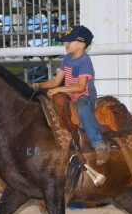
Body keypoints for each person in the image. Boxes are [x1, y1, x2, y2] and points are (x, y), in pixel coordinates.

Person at [31, 25, 110, 165]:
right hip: (69, 93)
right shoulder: (67, 58)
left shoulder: (84, 61)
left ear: (81, 45)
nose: (66, 44)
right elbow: (56, 81)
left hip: (84, 94)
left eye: (69, 41)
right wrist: (40, 85)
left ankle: (99, 144)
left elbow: (80, 87)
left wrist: (59, 90)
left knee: (83, 109)